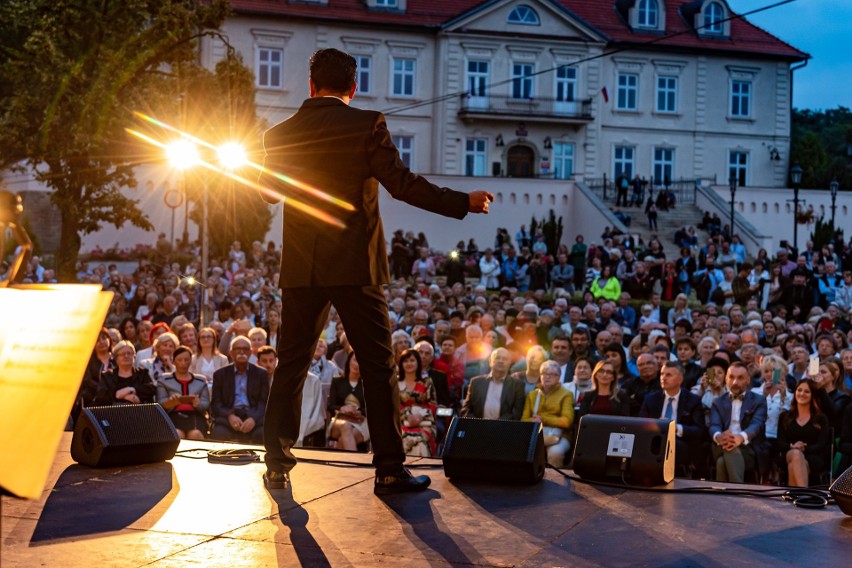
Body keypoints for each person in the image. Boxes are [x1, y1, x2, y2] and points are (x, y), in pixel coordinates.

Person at [259, 48, 493, 493]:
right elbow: (403, 186)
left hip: (303, 265)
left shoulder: (280, 133)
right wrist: (461, 201)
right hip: (354, 264)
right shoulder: (367, 123)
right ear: (353, 87)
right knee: (377, 364)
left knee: (290, 364)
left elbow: (269, 193)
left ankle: (276, 464)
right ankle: (388, 468)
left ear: (310, 86)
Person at [640, 361, 705, 474]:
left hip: (680, 442)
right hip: (654, 439)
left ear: (680, 379)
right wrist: (656, 425)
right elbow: (640, 424)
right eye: (662, 374)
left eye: (668, 375)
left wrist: (675, 428)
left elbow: (699, 431)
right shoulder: (651, 399)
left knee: (671, 445)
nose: (663, 378)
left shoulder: (693, 400)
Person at [709, 362, 768, 483]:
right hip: (721, 445)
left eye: (740, 378)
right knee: (729, 448)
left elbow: (757, 424)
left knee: (722, 463)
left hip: (748, 447)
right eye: (731, 377)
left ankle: (722, 499)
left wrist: (740, 438)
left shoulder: (759, 401)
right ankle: (738, 495)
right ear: (725, 379)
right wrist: (719, 436)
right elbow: (714, 425)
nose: (735, 382)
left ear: (748, 380)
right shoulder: (717, 402)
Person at [211, 336, 269, 443]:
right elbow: (216, 403)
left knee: (262, 434)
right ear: (231, 352)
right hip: (228, 416)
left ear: (250, 352)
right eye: (238, 349)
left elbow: (264, 402)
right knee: (218, 433)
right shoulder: (220, 375)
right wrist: (230, 416)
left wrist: (253, 418)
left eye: (245, 349)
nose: (241, 352)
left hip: (253, 416)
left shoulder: (261, 374)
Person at [778, 379, 831, 487]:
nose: (802, 394)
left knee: (794, 464)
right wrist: (793, 446)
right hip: (788, 453)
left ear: (813, 395)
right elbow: (779, 442)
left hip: (812, 457)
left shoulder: (820, 418)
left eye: (807, 391)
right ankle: (805, 494)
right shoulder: (785, 417)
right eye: (799, 390)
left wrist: (804, 448)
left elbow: (822, 444)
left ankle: (795, 499)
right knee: (795, 454)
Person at [522, 360, 575, 467]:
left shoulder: (566, 394)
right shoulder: (532, 394)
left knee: (555, 453)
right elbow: (523, 420)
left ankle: (555, 482)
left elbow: (567, 421)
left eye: (552, 374)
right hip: (536, 434)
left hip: (560, 435)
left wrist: (543, 420)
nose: (547, 377)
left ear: (559, 377)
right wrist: (533, 420)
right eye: (544, 374)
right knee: (520, 448)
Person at [156, 346, 210, 440]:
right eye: (179, 360)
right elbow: (160, 403)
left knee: (195, 434)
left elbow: (206, 403)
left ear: (191, 361)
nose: (183, 363)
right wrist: (172, 401)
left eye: (186, 360)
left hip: (195, 417)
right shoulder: (164, 380)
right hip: (173, 416)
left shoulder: (200, 381)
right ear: (174, 361)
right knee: (177, 434)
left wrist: (198, 404)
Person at [461, 348, 525, 420]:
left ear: (509, 363)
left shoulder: (517, 385)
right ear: (490, 362)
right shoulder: (476, 382)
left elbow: (517, 412)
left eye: (505, 359)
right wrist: (478, 423)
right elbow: (466, 409)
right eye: (497, 358)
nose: (501, 361)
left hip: (504, 428)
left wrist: (494, 425)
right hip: (477, 427)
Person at [397, 349, 438, 457]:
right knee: (403, 438)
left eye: (412, 360)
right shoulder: (396, 383)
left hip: (424, 422)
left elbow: (433, 404)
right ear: (401, 364)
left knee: (421, 441)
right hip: (402, 422)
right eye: (405, 361)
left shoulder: (427, 381)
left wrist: (420, 417)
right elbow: (394, 405)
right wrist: (407, 417)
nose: (409, 363)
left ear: (418, 363)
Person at [327, 351, 370, 451]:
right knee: (345, 426)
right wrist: (342, 408)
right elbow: (331, 406)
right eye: (355, 360)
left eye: (360, 362)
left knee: (344, 439)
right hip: (339, 420)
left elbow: (371, 408)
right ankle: (354, 464)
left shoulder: (367, 384)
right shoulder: (337, 382)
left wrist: (359, 411)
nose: (356, 365)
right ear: (349, 361)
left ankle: (344, 465)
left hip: (361, 422)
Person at [93, 341, 156, 406]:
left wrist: (131, 390)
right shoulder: (108, 376)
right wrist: (118, 395)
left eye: (129, 353)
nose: (126, 356)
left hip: (140, 412)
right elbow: (101, 396)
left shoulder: (142, 373)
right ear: (116, 358)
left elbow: (151, 389)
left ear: (134, 357)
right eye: (122, 354)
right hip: (113, 413)